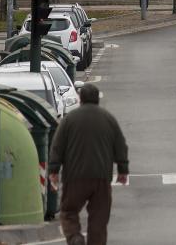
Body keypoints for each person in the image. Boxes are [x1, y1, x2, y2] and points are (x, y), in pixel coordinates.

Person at [49, 84, 129, 245]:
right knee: (99, 219)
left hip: (74, 177)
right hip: (101, 178)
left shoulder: (69, 119)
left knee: (69, 212)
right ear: (97, 98)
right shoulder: (108, 119)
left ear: (81, 99)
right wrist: (122, 170)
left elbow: (57, 146)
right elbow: (120, 145)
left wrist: (54, 170)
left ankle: (75, 238)